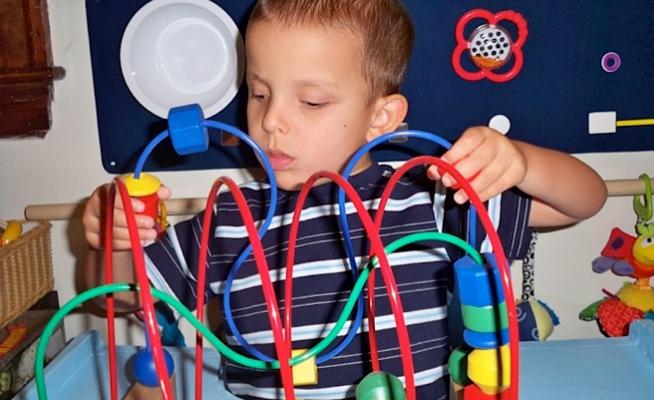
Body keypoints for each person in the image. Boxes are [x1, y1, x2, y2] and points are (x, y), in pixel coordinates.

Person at [83, 0, 607, 398]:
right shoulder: (228, 218)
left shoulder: (428, 194)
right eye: (259, 92)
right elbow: (118, 297)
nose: (269, 121)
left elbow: (584, 200)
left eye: (310, 100)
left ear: (381, 117)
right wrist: (116, 239)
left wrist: (521, 161)